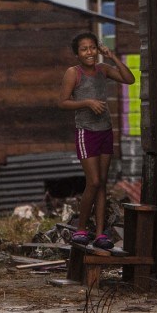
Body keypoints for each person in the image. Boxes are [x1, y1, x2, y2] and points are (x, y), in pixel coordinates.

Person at [58, 32, 135, 248]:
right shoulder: (74, 73)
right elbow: (62, 102)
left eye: (92, 48)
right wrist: (87, 102)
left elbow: (130, 79)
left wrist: (112, 56)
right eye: (84, 49)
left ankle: (101, 234)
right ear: (77, 54)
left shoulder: (103, 70)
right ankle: (81, 229)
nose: (89, 52)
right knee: (93, 181)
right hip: (86, 132)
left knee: (102, 184)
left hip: (105, 130)